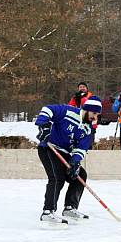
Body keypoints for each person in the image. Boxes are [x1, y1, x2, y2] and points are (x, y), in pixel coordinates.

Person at [35, 95, 103, 224]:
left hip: (65, 153)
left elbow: (81, 148)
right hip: (49, 148)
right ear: (87, 109)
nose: (95, 117)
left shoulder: (88, 129)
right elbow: (47, 109)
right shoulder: (68, 111)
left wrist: (75, 162)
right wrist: (43, 125)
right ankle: (47, 212)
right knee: (56, 177)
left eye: (97, 114)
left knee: (80, 175)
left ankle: (70, 208)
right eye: (94, 113)